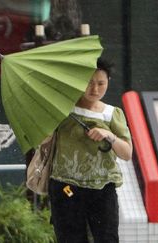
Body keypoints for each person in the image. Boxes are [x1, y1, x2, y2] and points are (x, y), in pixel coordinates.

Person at [48, 58, 133, 243]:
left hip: (102, 189)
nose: (95, 89)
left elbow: (127, 153)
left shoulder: (112, 113)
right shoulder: (64, 110)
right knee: (70, 237)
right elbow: (44, 139)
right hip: (67, 187)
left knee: (107, 237)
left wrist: (108, 135)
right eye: (89, 83)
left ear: (108, 81)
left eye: (101, 83)